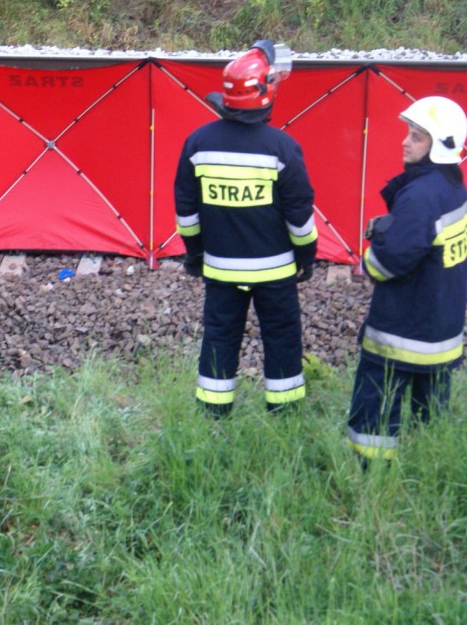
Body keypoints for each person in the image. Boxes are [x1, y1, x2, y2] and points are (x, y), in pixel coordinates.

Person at [174, 39, 318, 417]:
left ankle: (213, 415)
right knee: (282, 337)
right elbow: (299, 216)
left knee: (220, 337)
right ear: (267, 93)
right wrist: (307, 257)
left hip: (220, 267)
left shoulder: (198, 144)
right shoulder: (282, 149)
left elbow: (186, 214)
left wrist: (195, 254)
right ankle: (284, 415)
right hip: (276, 271)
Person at [347, 96, 467, 462]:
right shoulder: (454, 190)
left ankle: (367, 475)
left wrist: (375, 246)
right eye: (409, 133)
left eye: (416, 136)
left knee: (376, 410)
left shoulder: (419, 196)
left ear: (440, 147)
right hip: (441, 334)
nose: (405, 141)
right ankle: (425, 467)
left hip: (402, 334)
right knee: (428, 417)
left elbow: (386, 264)